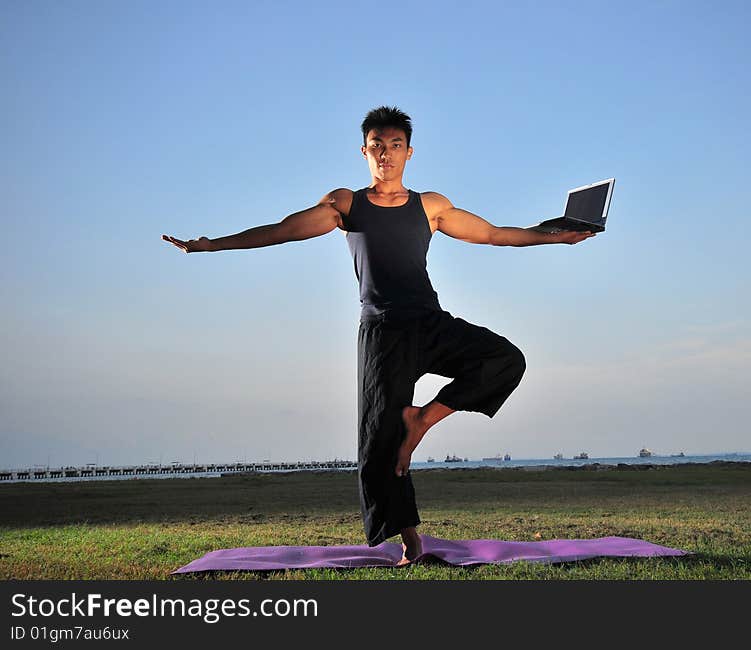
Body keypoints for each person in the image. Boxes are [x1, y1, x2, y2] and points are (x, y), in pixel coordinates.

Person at [162, 106, 595, 564]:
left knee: (505, 359)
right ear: (364, 152)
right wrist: (212, 244)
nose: (385, 155)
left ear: (409, 152)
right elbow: (280, 232)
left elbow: (492, 234)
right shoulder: (346, 205)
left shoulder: (431, 206)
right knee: (379, 439)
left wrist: (554, 236)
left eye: (394, 146)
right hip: (382, 332)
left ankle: (423, 419)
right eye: (376, 147)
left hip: (429, 321)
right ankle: (410, 541)